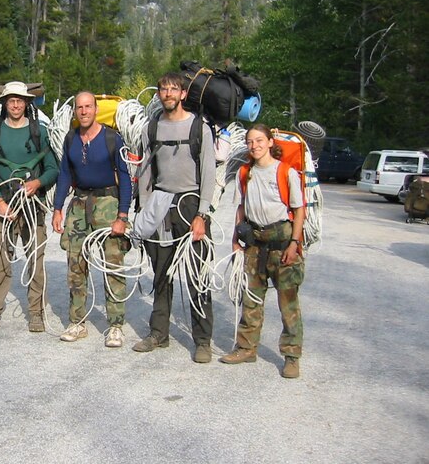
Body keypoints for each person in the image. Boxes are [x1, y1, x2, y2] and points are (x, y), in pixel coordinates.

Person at [134, 72, 215, 363]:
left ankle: (203, 341)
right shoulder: (151, 128)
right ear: (159, 95)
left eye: (173, 89)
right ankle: (159, 334)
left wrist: (202, 214)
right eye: (163, 89)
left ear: (183, 94)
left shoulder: (199, 127)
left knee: (197, 274)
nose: (168, 94)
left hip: (191, 204)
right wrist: (144, 211)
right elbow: (144, 171)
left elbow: (209, 174)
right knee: (161, 273)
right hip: (161, 205)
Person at [220, 124, 306, 379]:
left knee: (288, 304)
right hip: (255, 244)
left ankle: (292, 357)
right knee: (251, 300)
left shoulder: (285, 172)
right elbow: (241, 207)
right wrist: (236, 238)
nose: (254, 145)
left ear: (270, 142)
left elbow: (299, 210)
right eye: (250, 141)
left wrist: (294, 243)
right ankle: (246, 348)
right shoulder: (245, 172)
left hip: (282, 245)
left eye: (259, 140)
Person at [52, 92, 132, 348]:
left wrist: (122, 215)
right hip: (79, 203)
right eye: (79, 107)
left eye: (88, 107)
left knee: (113, 265)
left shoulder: (112, 138)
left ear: (96, 109)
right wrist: (57, 208)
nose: (84, 111)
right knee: (75, 265)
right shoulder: (71, 139)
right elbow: (65, 173)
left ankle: (116, 326)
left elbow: (126, 178)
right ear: (75, 110)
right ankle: (77, 322)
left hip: (108, 202)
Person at [0, 81, 59, 332]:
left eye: (20, 100)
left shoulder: (40, 132)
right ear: (4, 103)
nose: (15, 104)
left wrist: (37, 183)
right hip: (2, 206)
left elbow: (53, 169)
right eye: (11, 100)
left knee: (36, 259)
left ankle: (36, 312)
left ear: (26, 103)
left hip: (32, 206)